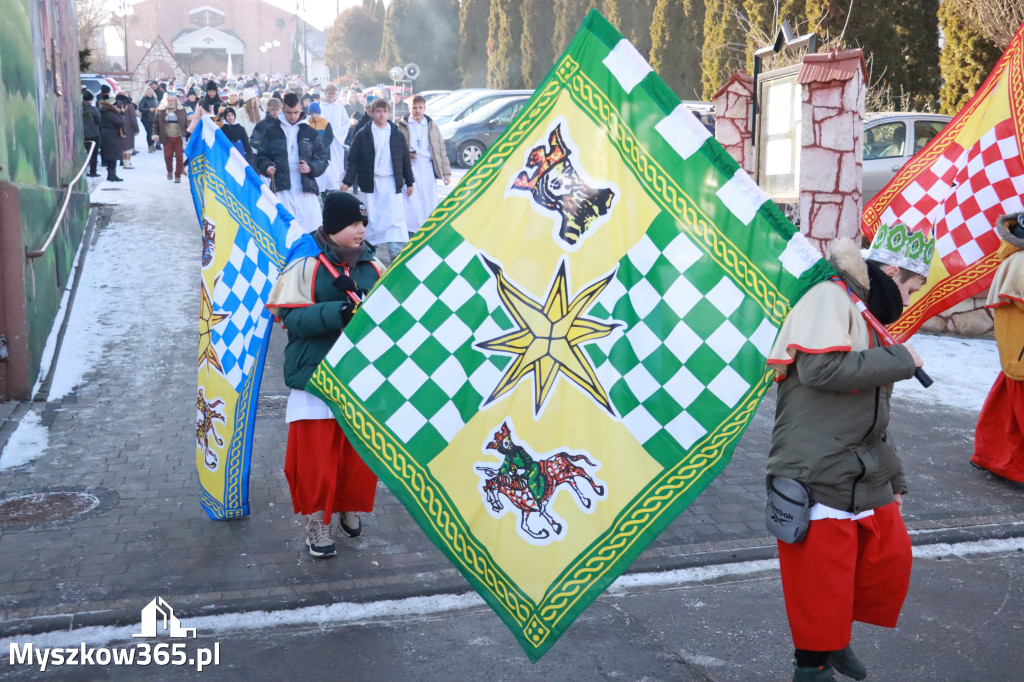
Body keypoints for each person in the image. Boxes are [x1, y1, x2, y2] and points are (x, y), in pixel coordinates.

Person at [765, 224, 932, 682]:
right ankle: (813, 663)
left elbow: (872, 412)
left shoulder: (867, 313)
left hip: (861, 466)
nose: (911, 298)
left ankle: (834, 638)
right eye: (911, 287)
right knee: (819, 580)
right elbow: (820, 369)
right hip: (815, 466)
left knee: (888, 558)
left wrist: (894, 478)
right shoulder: (830, 297)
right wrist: (903, 360)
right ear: (893, 270)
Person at [265, 191, 383, 558]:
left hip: (359, 376)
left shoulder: (375, 267)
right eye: (352, 224)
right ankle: (318, 521)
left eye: (363, 223)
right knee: (317, 457)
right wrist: (339, 313)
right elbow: (290, 318)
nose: (360, 230)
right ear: (333, 227)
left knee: (356, 454)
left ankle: (347, 504)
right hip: (315, 375)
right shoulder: (305, 264)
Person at [972, 213, 1024, 481]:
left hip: (1018, 356)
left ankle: (995, 460)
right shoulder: (1021, 262)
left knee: (1006, 415)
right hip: (1021, 354)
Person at [341, 98, 414, 262]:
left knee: (395, 219)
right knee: (371, 219)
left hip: (391, 183)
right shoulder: (363, 134)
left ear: (388, 113)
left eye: (385, 111)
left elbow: (404, 160)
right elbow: (353, 160)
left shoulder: (396, 134)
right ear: (372, 113)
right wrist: (347, 181)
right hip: (371, 183)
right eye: (378, 111)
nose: (382, 114)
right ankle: (368, 251)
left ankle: (395, 252)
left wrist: (409, 182)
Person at [255, 92, 329, 232]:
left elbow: (322, 158)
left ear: (301, 108)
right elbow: (262, 156)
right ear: (283, 109)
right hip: (282, 188)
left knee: (313, 229)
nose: (293, 116)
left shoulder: (310, 132)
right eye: (289, 112)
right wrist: (268, 167)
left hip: (306, 187)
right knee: (284, 230)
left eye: (296, 112)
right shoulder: (271, 131)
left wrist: (311, 167)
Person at [397, 95, 451, 236]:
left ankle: (428, 230)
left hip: (427, 167)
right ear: (409, 108)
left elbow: (440, 149)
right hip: (410, 168)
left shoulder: (432, 126)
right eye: (414, 108)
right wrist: (405, 154)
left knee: (428, 199)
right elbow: (395, 147)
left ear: (425, 108)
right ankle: (410, 231)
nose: (417, 111)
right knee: (411, 199)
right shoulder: (402, 126)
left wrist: (446, 172)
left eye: (420, 108)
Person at [152, 92, 188, 183]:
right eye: (169, 100)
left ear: (176, 100)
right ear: (166, 100)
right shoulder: (160, 110)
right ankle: (169, 171)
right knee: (168, 156)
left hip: (178, 137)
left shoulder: (182, 110)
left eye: (173, 100)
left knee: (179, 157)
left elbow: (186, 123)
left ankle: (177, 175)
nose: (171, 102)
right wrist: (155, 134)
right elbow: (155, 124)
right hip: (166, 137)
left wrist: (188, 133)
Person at [319, 84, 348, 193]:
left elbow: (346, 124)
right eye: (329, 93)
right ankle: (323, 189)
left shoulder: (340, 108)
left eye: (333, 94)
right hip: (323, 142)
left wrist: (334, 133)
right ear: (325, 93)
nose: (331, 96)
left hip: (336, 141)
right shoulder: (320, 107)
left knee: (335, 166)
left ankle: (334, 187)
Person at [305, 102, 336, 196]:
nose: (314, 115)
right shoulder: (307, 123)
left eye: (315, 113)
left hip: (324, 153)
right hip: (311, 153)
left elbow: (329, 137)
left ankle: (325, 193)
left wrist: (322, 147)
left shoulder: (325, 123)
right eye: (312, 113)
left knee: (325, 176)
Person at [98, 97, 125, 182]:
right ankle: (112, 174)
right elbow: (120, 123)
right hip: (112, 135)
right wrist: (122, 116)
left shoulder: (104, 112)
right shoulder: (110, 113)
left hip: (106, 134)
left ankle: (111, 174)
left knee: (110, 155)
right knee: (113, 155)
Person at [114, 94, 138, 170]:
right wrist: (136, 129)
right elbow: (133, 118)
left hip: (118, 127)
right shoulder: (129, 106)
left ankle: (124, 162)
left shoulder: (114, 105)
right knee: (129, 146)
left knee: (123, 146)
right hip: (129, 128)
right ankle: (127, 163)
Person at [82, 90, 102, 177]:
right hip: (93, 134)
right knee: (93, 154)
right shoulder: (93, 109)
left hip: (81, 135)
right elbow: (99, 120)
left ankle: (82, 170)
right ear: (90, 100)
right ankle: (93, 171)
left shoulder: (78, 108)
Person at [139, 88, 159, 152]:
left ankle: (152, 144)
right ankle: (150, 146)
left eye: (151, 92)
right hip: (146, 118)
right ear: (146, 93)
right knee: (149, 132)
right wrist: (148, 109)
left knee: (153, 132)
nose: (150, 93)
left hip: (154, 118)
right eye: (148, 92)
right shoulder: (143, 99)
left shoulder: (155, 99)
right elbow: (140, 108)